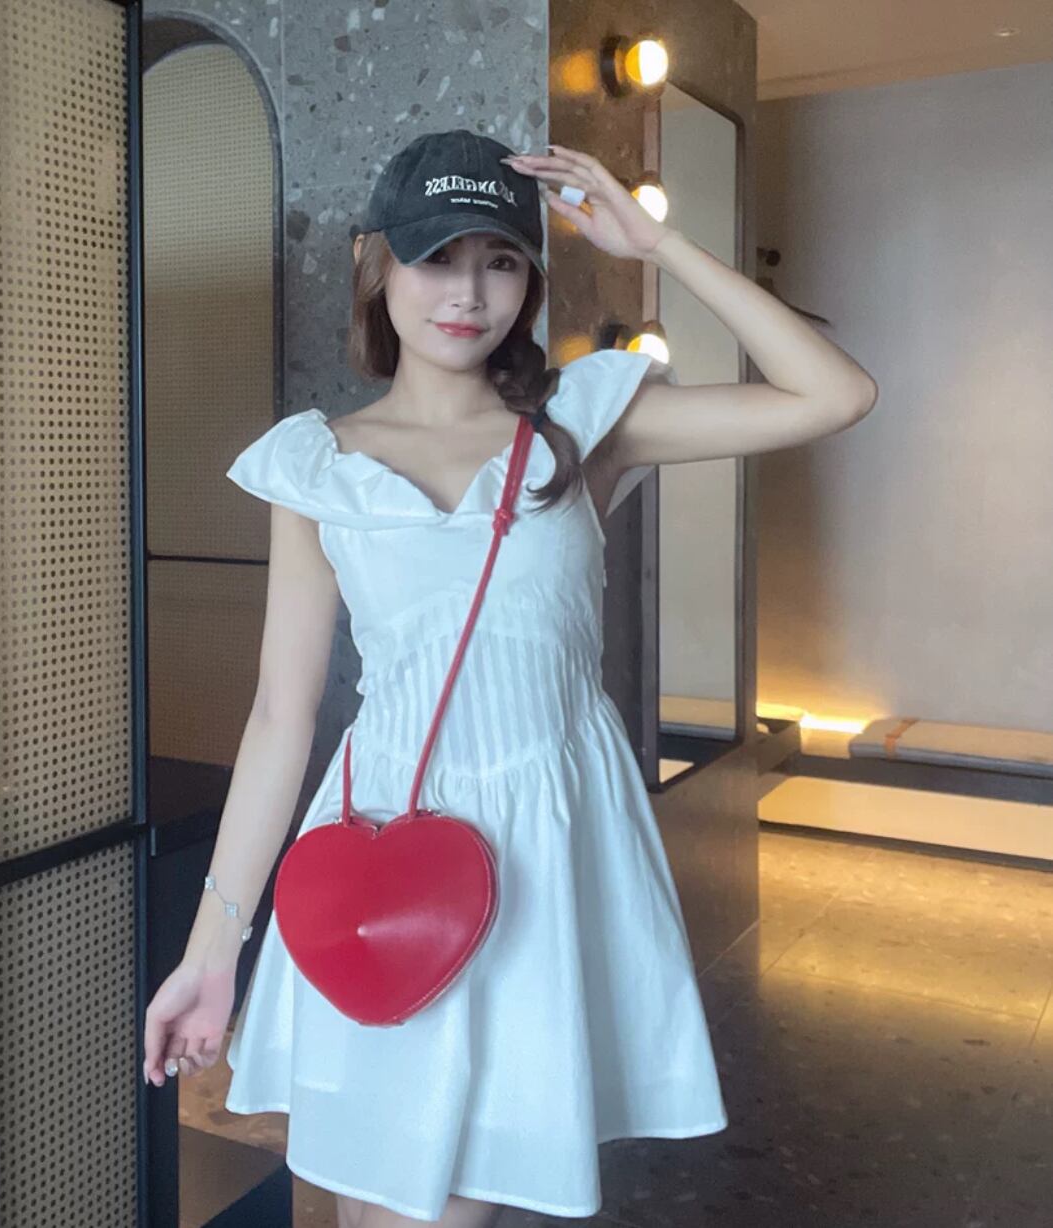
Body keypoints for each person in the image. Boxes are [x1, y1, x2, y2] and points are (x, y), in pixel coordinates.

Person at [142, 129, 877, 1227]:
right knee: (359, 1199)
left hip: (541, 853)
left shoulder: (583, 425)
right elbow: (280, 717)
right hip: (380, 855)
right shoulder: (317, 464)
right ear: (376, 263)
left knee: (450, 1202)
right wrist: (214, 951)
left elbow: (835, 393)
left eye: (500, 260)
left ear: (531, 279)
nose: (468, 292)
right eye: (437, 256)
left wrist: (658, 244)